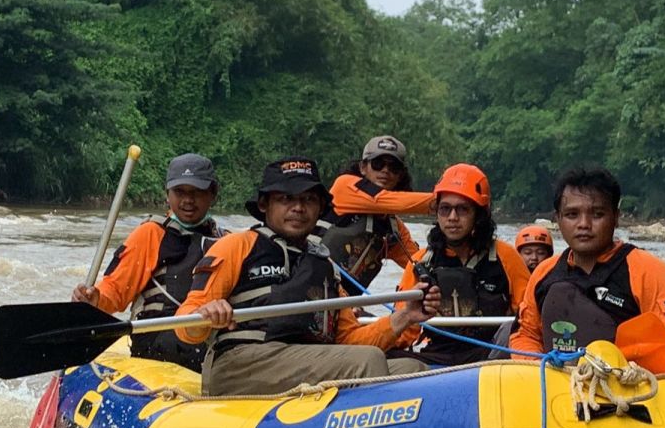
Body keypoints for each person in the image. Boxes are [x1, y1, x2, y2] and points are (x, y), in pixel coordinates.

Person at [172, 156, 440, 396]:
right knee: (367, 361)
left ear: (320, 207)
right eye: (286, 198)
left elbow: (348, 340)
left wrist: (404, 316)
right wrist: (206, 314)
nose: (298, 208)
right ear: (265, 205)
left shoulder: (324, 265)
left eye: (308, 199)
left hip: (308, 361)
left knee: (412, 367)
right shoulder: (238, 245)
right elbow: (185, 324)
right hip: (242, 363)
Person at [509, 167, 665, 376]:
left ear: (615, 217)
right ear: (558, 219)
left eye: (597, 214)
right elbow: (525, 334)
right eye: (572, 215)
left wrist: (622, 369)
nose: (584, 224)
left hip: (627, 387)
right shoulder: (544, 273)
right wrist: (541, 370)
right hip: (557, 384)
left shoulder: (650, 272)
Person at [71, 153, 226, 371]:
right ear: (167, 195)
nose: (188, 200)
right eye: (179, 192)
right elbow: (115, 290)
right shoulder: (150, 234)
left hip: (210, 349)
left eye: (197, 192)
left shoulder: (227, 241)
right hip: (158, 351)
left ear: (213, 194)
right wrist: (96, 298)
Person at [389, 163, 530, 368]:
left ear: (478, 214)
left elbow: (528, 317)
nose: (452, 218)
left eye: (462, 209)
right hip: (437, 355)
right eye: (445, 209)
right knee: (382, 356)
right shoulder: (422, 261)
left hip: (490, 354)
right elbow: (405, 329)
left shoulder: (506, 256)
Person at [320, 135, 434, 293]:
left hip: (344, 306)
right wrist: (451, 200)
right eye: (378, 164)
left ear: (400, 175)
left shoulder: (393, 229)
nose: (385, 171)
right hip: (310, 290)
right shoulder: (344, 186)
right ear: (363, 168)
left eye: (393, 167)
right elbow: (387, 200)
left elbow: (418, 261)